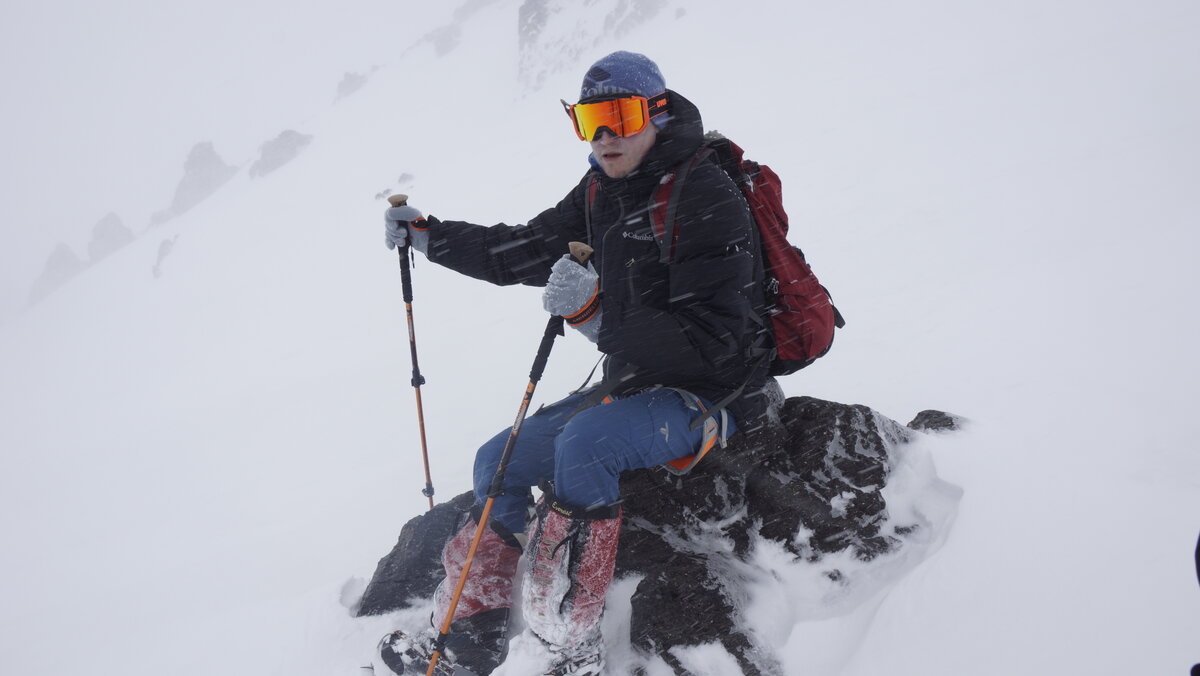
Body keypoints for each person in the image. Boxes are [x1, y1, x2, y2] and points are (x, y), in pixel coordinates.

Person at [382, 51, 770, 676]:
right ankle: (471, 626)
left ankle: (568, 647)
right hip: (636, 381)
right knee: (496, 459)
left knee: (585, 446)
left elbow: (715, 343)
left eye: (619, 115)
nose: (605, 136)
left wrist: (593, 315)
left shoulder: (705, 196)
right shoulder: (602, 189)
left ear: (657, 114)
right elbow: (524, 250)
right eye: (591, 120)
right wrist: (431, 236)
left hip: (715, 392)